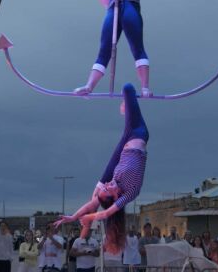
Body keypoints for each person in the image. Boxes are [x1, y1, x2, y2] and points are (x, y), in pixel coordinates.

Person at [55, 83, 149, 255]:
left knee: (127, 89)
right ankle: (126, 107)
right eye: (107, 189)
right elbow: (104, 214)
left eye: (105, 188)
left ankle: (126, 107)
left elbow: (94, 203)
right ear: (114, 197)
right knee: (128, 89)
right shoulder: (129, 194)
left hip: (126, 140)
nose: (107, 185)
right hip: (140, 135)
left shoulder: (113, 183)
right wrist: (89, 218)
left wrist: (73, 217)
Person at [74, 0, 151, 97]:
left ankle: (145, 87)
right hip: (112, 10)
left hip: (129, 6)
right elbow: (106, 2)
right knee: (104, 49)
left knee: (137, 47)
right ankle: (89, 86)